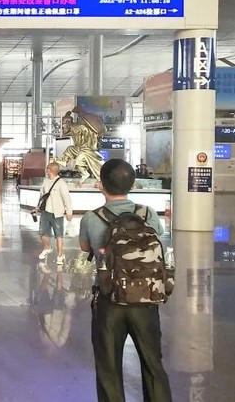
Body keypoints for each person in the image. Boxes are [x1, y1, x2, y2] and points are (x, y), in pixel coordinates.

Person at [79, 159, 172, 402]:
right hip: (146, 299)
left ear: (101, 185)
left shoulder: (91, 218)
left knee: (108, 369)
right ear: (132, 185)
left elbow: (85, 247)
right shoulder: (147, 213)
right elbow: (158, 235)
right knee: (153, 365)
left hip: (109, 301)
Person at [38, 162, 74, 266]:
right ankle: (47, 248)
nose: (46, 170)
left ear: (52, 170)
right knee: (42, 233)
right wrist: (37, 207)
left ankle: (60, 255)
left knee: (59, 236)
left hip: (57, 214)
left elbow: (67, 199)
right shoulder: (45, 181)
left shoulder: (61, 184)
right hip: (45, 212)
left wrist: (69, 212)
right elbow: (42, 196)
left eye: (47, 168)